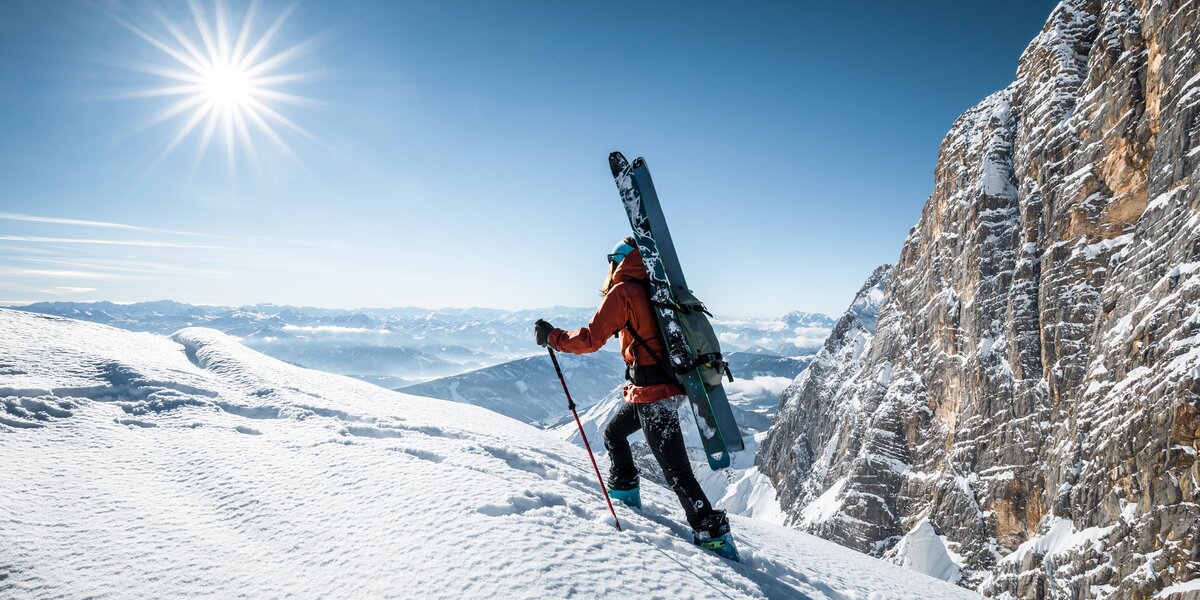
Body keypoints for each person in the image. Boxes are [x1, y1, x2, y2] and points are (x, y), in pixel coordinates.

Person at [534, 237, 732, 552]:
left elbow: (590, 338)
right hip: (657, 388)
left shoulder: (624, 291)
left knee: (676, 470)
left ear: (619, 261)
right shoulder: (654, 287)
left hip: (653, 393)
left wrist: (553, 337)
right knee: (614, 433)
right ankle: (625, 494)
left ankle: (713, 533)